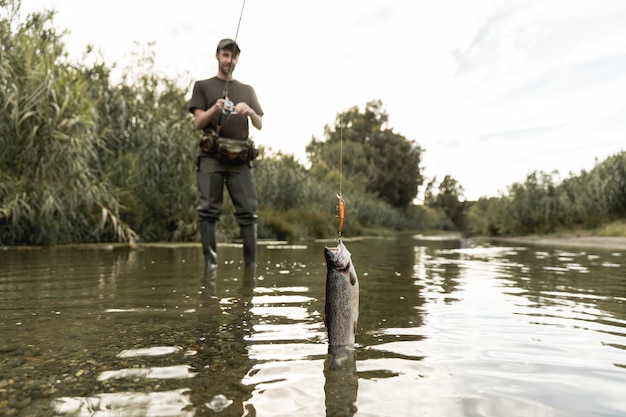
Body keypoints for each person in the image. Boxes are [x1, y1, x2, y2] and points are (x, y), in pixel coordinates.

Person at [188, 38, 264, 271]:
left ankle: (251, 269)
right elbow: (199, 123)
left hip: (241, 161)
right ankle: (210, 266)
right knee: (208, 212)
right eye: (225, 55)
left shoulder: (248, 90)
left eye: (233, 56)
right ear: (217, 56)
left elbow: (259, 124)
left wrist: (249, 110)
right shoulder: (203, 86)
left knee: (248, 213)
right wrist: (215, 108)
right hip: (211, 158)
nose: (229, 60)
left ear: (237, 59)